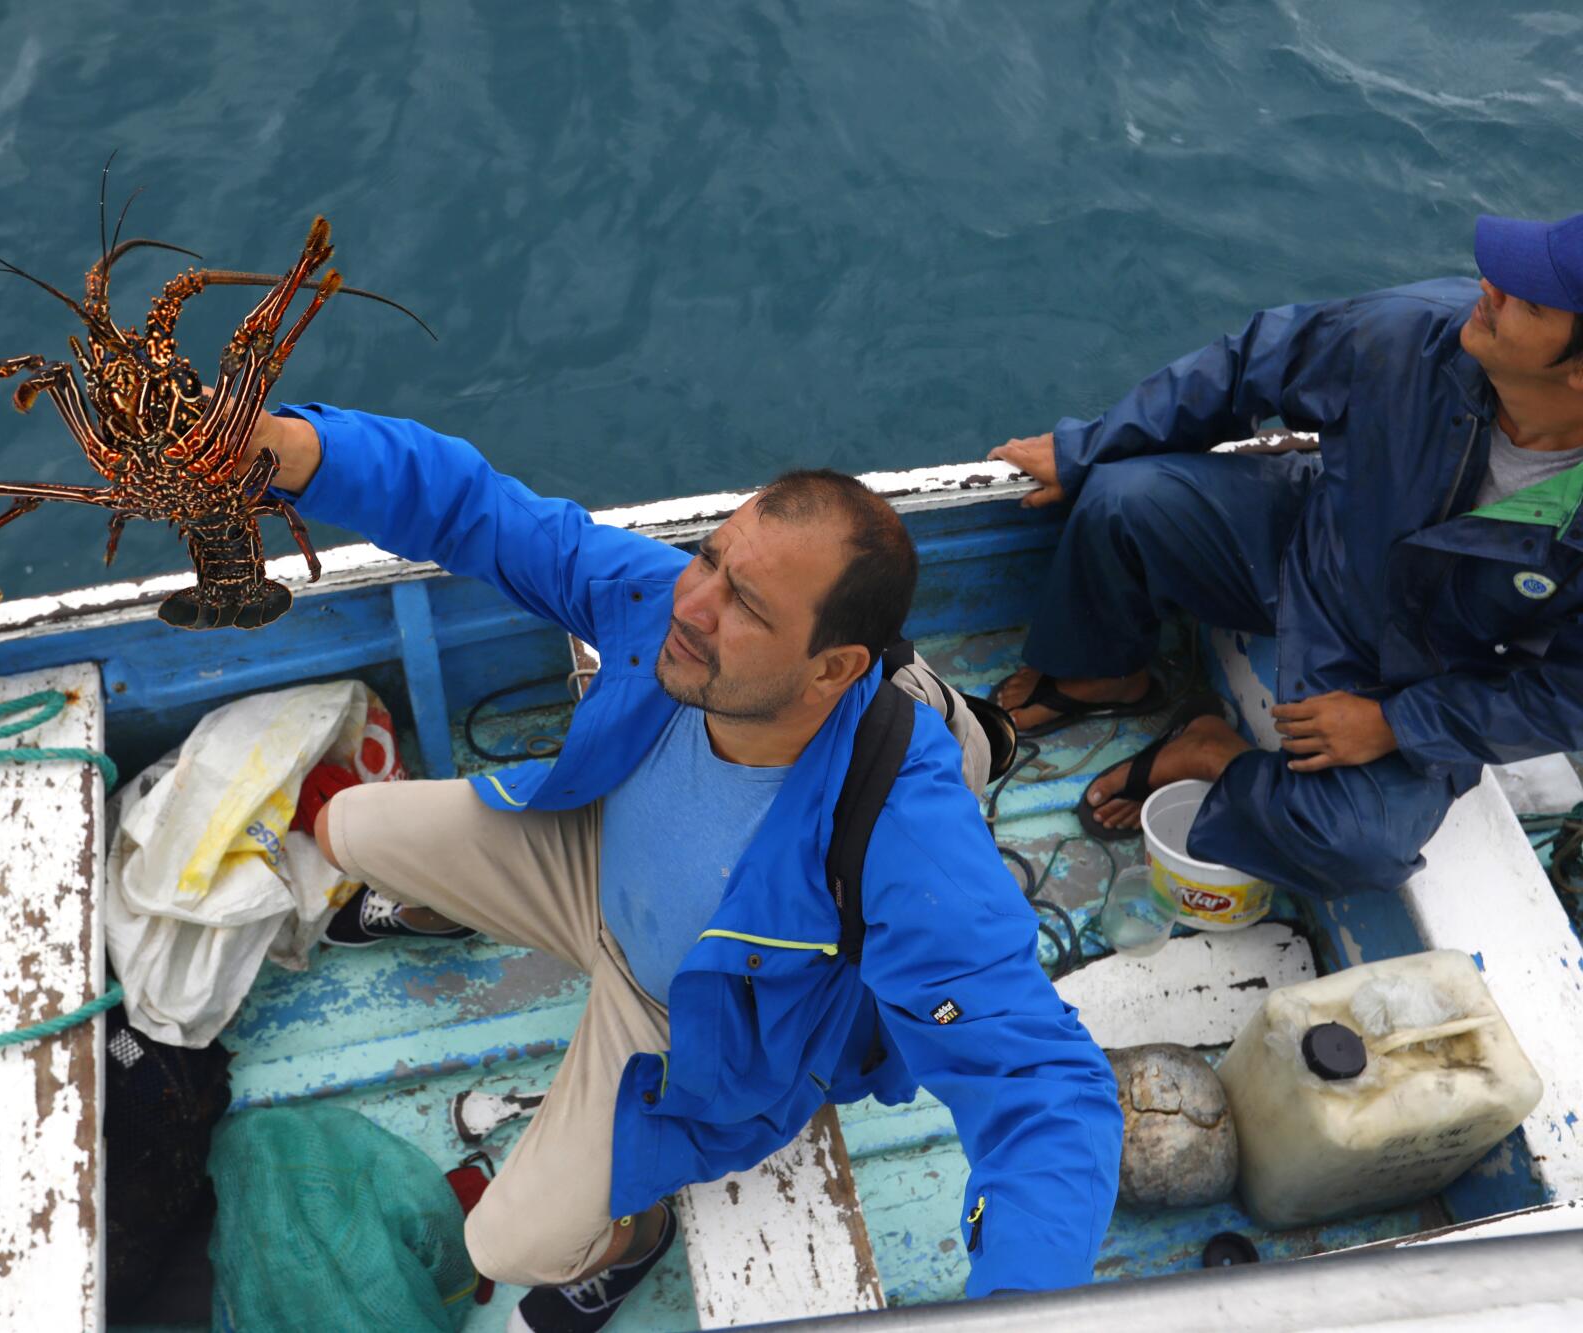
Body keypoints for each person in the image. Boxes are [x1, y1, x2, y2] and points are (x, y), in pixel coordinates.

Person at [233, 403, 1120, 1330]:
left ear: (833, 669)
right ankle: (460, 902)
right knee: (346, 826)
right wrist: (302, 453)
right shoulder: (668, 601)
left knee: (505, 1246)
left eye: (749, 607)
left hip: (687, 1014)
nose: (692, 609)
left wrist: (1021, 1311)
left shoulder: (905, 833)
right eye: (711, 557)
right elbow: (480, 512)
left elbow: (1044, 1091)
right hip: (592, 863)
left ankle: (634, 1235)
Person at [986, 211, 1583, 898]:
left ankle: (1215, 752)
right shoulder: (1418, 330)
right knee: (1121, 497)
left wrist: (1396, 723)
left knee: (1358, 847)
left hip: (1417, 672)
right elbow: (1255, 360)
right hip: (1312, 539)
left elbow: (1567, 695)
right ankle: (1101, 675)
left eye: (1528, 301)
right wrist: (1083, 449)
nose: (1489, 289)